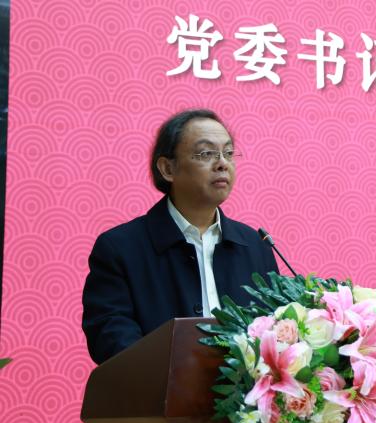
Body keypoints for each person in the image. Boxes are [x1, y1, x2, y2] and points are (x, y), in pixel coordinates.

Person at [82, 109, 278, 363]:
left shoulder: (254, 246)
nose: (222, 163)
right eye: (206, 153)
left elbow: (275, 332)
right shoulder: (120, 248)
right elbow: (110, 338)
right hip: (157, 387)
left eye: (228, 153)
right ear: (167, 168)